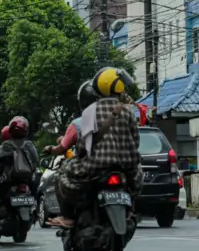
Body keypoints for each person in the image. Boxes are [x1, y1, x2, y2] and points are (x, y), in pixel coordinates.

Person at [50, 67, 143, 229]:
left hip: (95, 166)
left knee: (63, 171)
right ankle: (130, 210)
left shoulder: (89, 112)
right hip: (126, 167)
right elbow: (135, 142)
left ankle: (68, 217)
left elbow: (82, 146)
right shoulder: (128, 112)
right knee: (136, 178)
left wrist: (80, 154)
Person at [44, 80, 97, 158]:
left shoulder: (77, 124)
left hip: (86, 167)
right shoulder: (116, 119)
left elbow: (61, 149)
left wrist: (50, 148)